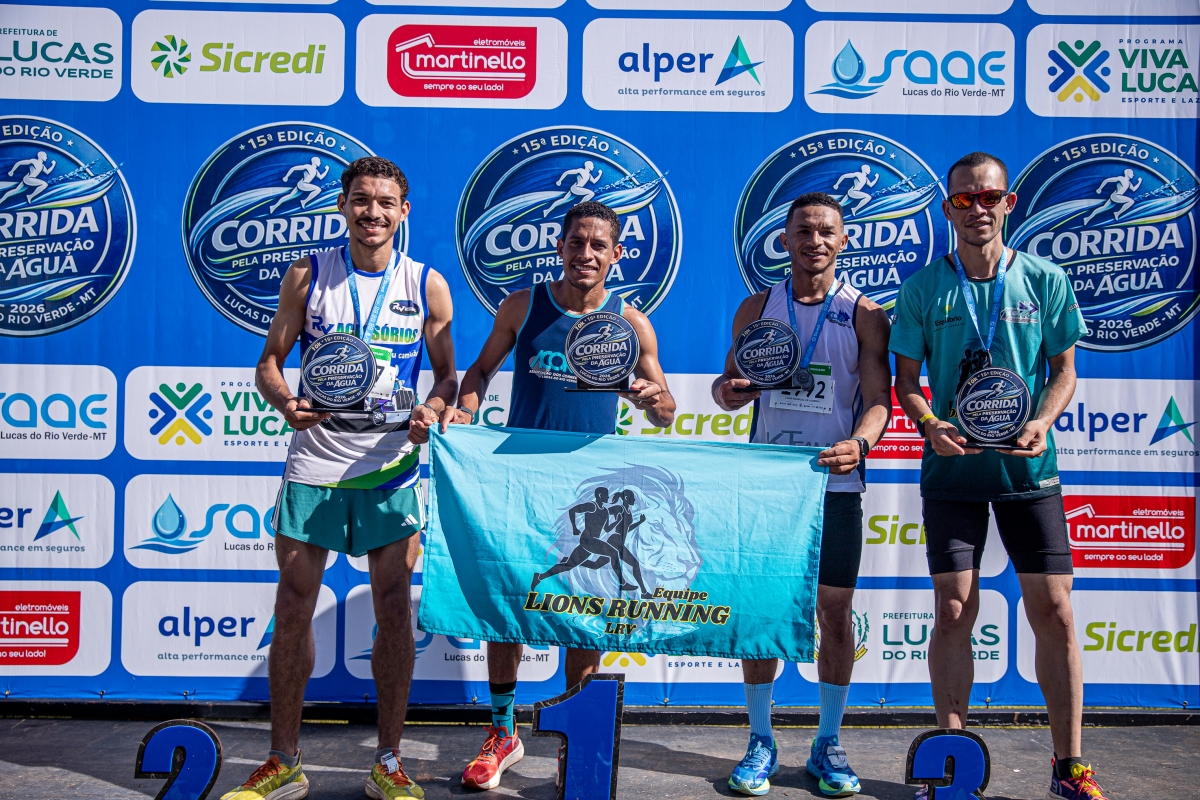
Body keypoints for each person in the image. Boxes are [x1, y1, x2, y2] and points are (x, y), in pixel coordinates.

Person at [225, 156, 459, 800]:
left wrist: (432, 410)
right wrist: (285, 402)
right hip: (317, 463)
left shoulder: (427, 284)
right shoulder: (309, 274)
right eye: (360, 200)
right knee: (293, 604)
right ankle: (283, 759)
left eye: (384, 202)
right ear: (343, 205)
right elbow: (269, 362)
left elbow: (447, 376)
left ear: (403, 211)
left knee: (393, 608)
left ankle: (388, 761)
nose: (371, 213)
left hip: (389, 466)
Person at [890, 152, 1108, 800]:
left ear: (1009, 203)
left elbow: (1064, 371)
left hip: (1027, 468)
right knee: (954, 610)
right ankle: (951, 766)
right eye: (964, 199)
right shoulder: (924, 288)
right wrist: (929, 424)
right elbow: (906, 381)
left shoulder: (1044, 279)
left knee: (1056, 612)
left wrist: (1042, 420)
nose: (977, 209)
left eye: (989, 197)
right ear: (948, 207)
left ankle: (1069, 768)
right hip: (953, 471)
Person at [444, 200, 676, 791]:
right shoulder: (523, 306)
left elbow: (666, 411)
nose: (586, 254)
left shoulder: (632, 322)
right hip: (521, 483)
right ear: (560, 246)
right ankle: (502, 731)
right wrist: (467, 409)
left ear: (616, 254)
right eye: (576, 242)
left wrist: (651, 399)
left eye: (599, 245)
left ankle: (577, 736)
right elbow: (478, 373)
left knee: (585, 616)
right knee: (511, 610)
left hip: (591, 491)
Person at [713, 192, 892, 797]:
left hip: (833, 484)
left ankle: (829, 741)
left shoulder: (865, 313)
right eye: (803, 231)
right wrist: (729, 392)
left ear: (843, 241)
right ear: (784, 240)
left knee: (834, 613)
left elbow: (878, 400)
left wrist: (861, 443)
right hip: (769, 488)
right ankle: (760, 739)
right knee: (763, 614)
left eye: (826, 232)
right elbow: (726, 387)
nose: (814, 241)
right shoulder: (757, 307)